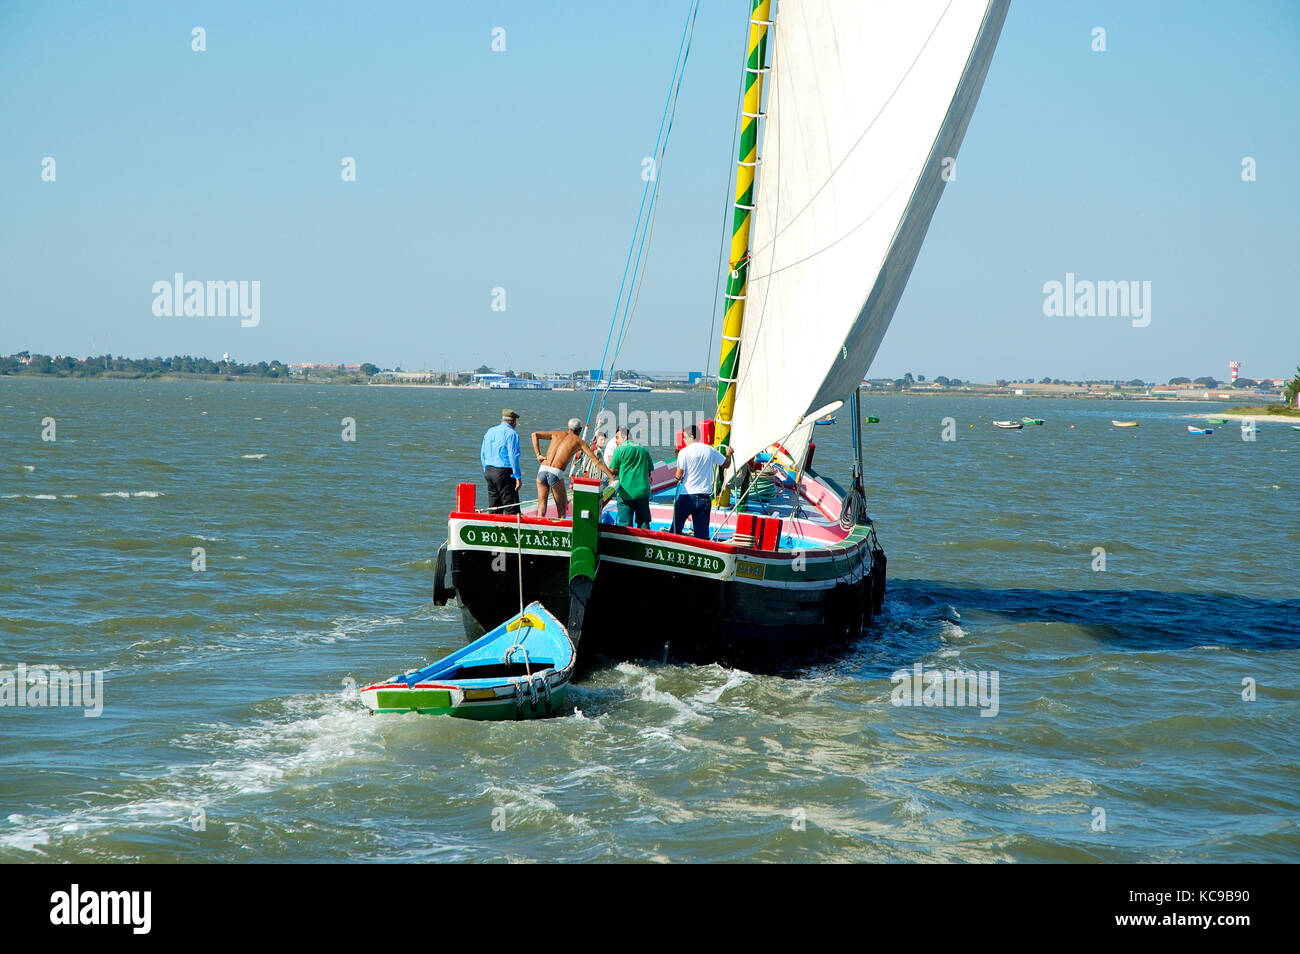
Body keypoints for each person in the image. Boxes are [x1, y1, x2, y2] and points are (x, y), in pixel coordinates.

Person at [530, 418, 615, 519]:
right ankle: (560, 531)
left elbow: (534, 434)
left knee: (541, 506)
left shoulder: (557, 433)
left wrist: (538, 454)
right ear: (580, 430)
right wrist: (611, 477)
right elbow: (596, 461)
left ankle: (540, 529)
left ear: (567, 427)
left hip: (542, 470)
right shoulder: (580, 442)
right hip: (555, 473)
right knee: (561, 509)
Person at [671, 425, 733, 538]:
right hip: (704, 497)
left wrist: (676, 478)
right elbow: (726, 464)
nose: (683, 440)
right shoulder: (710, 450)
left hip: (687, 496)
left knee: (675, 529)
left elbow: (679, 475)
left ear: (692, 436)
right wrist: (728, 454)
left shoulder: (684, 452)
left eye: (684, 437)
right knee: (702, 535)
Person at [607, 426, 654, 528]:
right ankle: (645, 542)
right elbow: (649, 471)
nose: (616, 441)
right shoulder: (643, 449)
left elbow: (613, 470)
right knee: (644, 523)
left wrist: (602, 468)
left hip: (626, 493)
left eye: (617, 437)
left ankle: (627, 543)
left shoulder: (620, 450)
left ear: (624, 437)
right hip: (643, 492)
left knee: (625, 524)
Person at [480, 408, 522, 515]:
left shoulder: (490, 431)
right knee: (510, 506)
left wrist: (485, 469)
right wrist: (517, 476)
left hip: (489, 470)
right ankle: (510, 530)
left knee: (494, 507)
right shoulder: (512, 434)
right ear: (513, 421)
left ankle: (494, 528)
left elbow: (482, 453)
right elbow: (513, 456)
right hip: (503, 472)